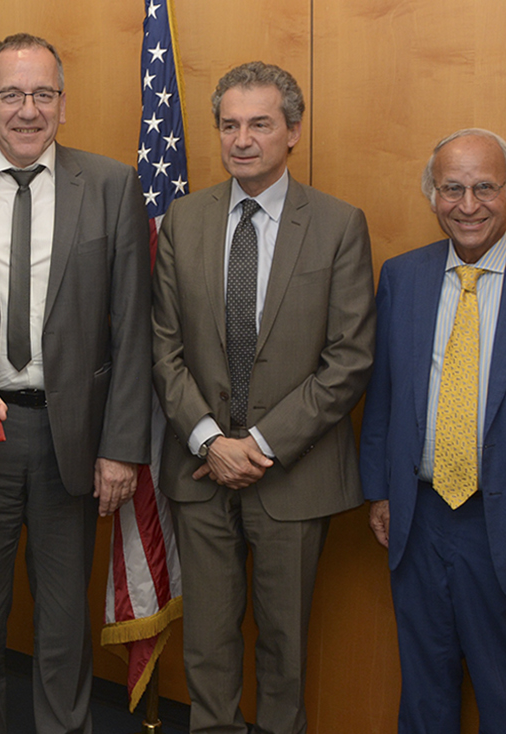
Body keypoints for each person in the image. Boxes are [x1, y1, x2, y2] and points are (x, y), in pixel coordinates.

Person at [0, 33, 152, 734]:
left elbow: (135, 327)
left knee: (61, 630)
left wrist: (121, 447)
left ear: (63, 105)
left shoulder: (110, 186)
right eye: (11, 95)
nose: (27, 110)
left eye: (42, 94)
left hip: (71, 441)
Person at [151, 61, 375, 734]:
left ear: (293, 132)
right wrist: (211, 442)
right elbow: (163, 348)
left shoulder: (338, 225)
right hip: (200, 470)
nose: (241, 139)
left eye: (259, 124)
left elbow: (349, 359)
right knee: (208, 647)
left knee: (284, 650)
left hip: (294, 476)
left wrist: (259, 446)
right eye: (228, 125)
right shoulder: (183, 220)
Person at [360, 129, 506, 732]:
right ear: (432, 196)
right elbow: (382, 395)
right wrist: (380, 490)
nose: (468, 205)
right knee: (423, 696)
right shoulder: (403, 277)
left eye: (485, 187)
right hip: (420, 519)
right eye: (452, 189)